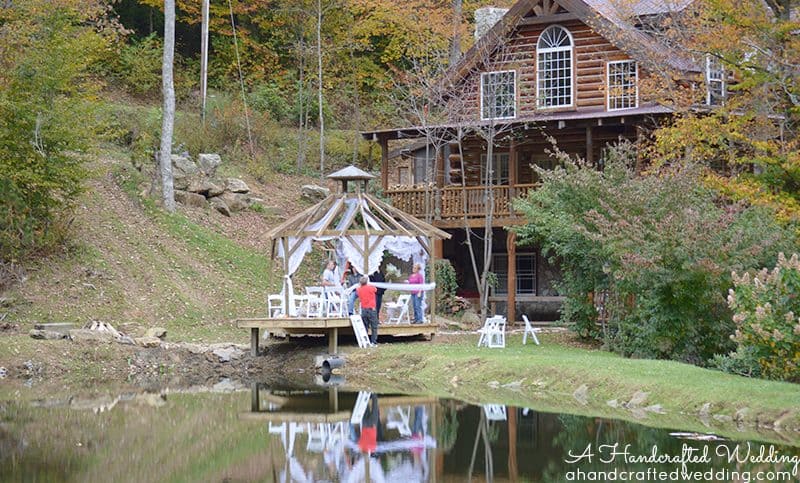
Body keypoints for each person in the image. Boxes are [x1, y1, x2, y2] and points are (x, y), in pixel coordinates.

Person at [357, 276, 379, 345]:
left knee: (365, 326)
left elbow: (358, 293)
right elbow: (376, 290)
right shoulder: (371, 288)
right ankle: (373, 341)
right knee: (374, 326)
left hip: (364, 309)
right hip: (371, 309)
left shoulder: (359, 289)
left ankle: (365, 341)